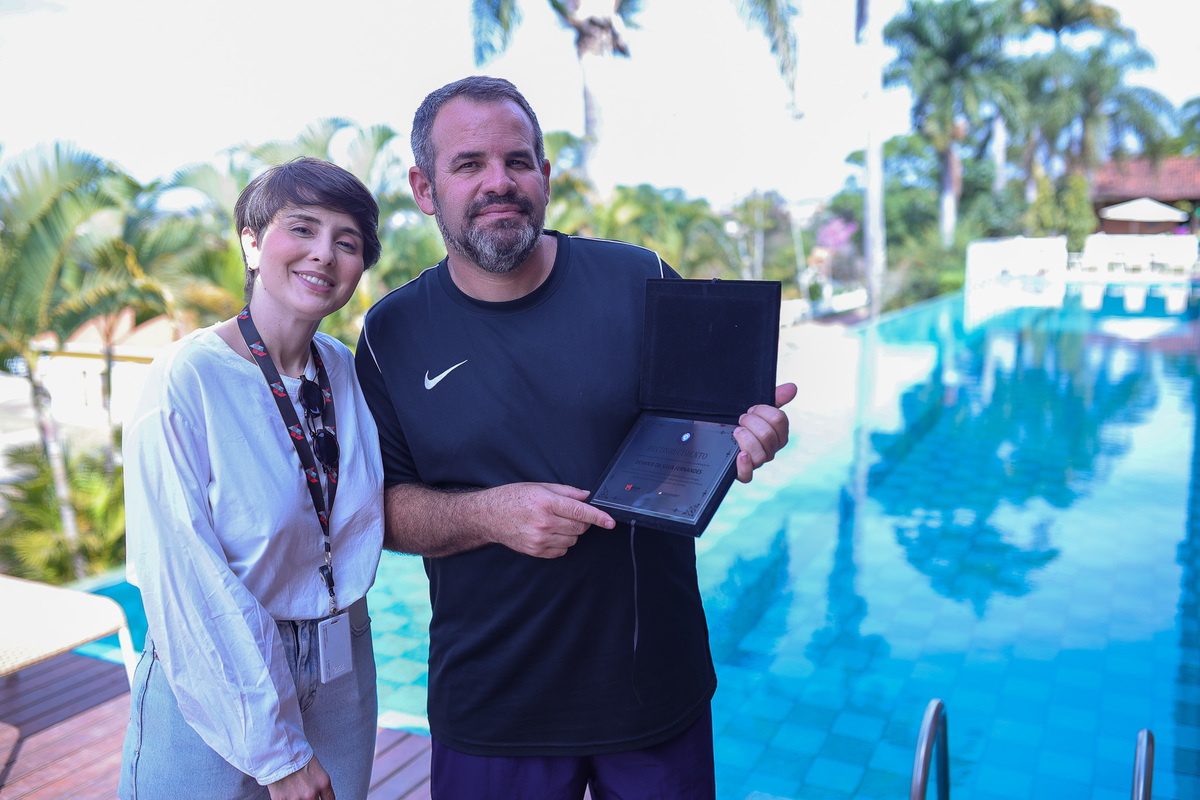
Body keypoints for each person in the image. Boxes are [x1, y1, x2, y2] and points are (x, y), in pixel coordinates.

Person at [355, 76, 796, 799]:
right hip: (495, 706)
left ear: (545, 175)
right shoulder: (392, 333)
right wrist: (490, 515)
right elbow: (382, 512)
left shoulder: (639, 278)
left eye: (518, 161)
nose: (500, 182)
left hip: (654, 690)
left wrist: (748, 435)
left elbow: (707, 428)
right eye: (469, 164)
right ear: (425, 188)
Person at [119, 157, 385, 800]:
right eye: (303, 228)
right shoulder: (187, 379)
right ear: (251, 242)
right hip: (217, 669)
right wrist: (278, 754)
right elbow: (181, 575)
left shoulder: (342, 369)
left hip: (340, 662)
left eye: (347, 242)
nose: (324, 253)